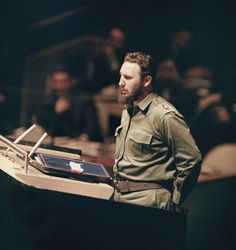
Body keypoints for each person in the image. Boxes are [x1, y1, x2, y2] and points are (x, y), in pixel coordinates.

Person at [113, 51, 202, 211]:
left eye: (128, 78)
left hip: (149, 201)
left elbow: (191, 160)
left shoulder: (164, 115)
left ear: (146, 80)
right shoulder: (128, 110)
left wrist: (175, 199)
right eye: (121, 76)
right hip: (121, 196)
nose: (120, 83)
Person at [31, 67, 102, 141]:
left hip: (81, 144)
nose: (60, 86)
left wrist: (84, 137)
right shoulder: (48, 102)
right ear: (51, 84)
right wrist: (57, 113)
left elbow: (92, 128)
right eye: (56, 82)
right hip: (56, 144)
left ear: (71, 82)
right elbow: (48, 129)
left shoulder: (84, 100)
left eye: (64, 82)